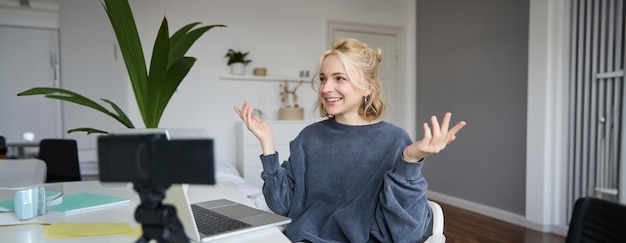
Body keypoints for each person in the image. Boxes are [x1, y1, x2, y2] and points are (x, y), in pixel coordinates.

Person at [234, 38, 466, 242]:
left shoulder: (395, 140)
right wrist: (267, 142)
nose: (326, 88)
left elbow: (406, 233)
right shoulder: (309, 137)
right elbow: (281, 206)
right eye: (323, 78)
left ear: (368, 86)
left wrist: (410, 160)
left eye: (339, 78)